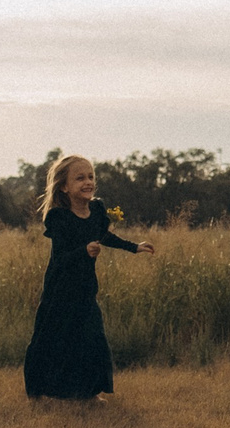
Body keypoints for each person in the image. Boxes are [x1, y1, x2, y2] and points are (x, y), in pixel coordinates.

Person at [24, 155, 153, 401]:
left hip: (84, 288)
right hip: (60, 289)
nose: (88, 182)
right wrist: (84, 251)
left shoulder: (96, 209)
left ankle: (88, 393)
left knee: (91, 337)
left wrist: (134, 247)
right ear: (64, 186)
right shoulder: (58, 217)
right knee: (52, 337)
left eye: (91, 176)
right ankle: (39, 391)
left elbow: (104, 236)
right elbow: (60, 259)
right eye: (80, 178)